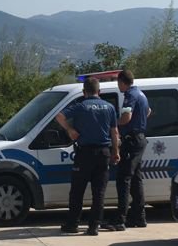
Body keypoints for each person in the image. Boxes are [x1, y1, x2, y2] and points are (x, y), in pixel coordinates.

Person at [55, 77, 120, 236]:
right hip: (103, 153)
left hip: (84, 153)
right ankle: (94, 226)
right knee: (99, 192)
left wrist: (70, 130)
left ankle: (73, 224)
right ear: (100, 91)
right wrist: (116, 151)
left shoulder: (80, 106)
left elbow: (59, 116)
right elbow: (115, 132)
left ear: (84, 92)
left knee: (77, 190)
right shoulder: (109, 107)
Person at [106, 69, 151, 230]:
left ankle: (120, 220)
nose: (118, 86)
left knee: (123, 179)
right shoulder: (141, 94)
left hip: (131, 141)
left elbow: (126, 117)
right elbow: (148, 111)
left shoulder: (130, 96)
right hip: (140, 139)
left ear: (122, 82)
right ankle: (139, 217)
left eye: (118, 83)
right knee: (136, 179)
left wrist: (114, 124)